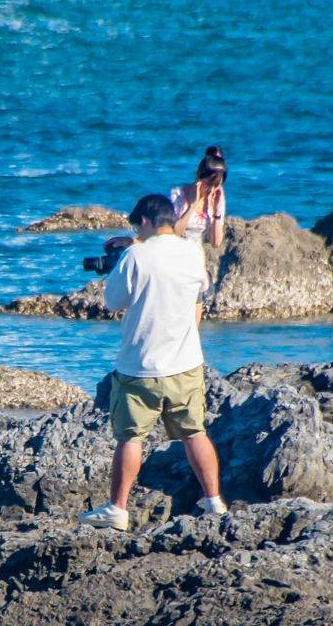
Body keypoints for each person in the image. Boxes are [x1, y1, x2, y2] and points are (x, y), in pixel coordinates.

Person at [79, 194, 227, 531]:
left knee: (130, 438)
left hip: (140, 366)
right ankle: (214, 501)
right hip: (185, 363)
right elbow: (198, 289)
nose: (137, 231)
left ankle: (118, 509)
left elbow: (113, 302)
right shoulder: (192, 252)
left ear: (145, 221)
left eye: (137, 226)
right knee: (194, 433)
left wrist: (122, 261)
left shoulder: (135, 256)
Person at [170, 146, 228, 252]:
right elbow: (174, 234)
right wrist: (192, 205)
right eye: (208, 184)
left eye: (216, 186)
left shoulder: (217, 200)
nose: (211, 190)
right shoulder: (179, 195)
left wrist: (217, 212)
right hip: (176, 253)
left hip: (196, 256)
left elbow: (216, 243)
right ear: (199, 178)